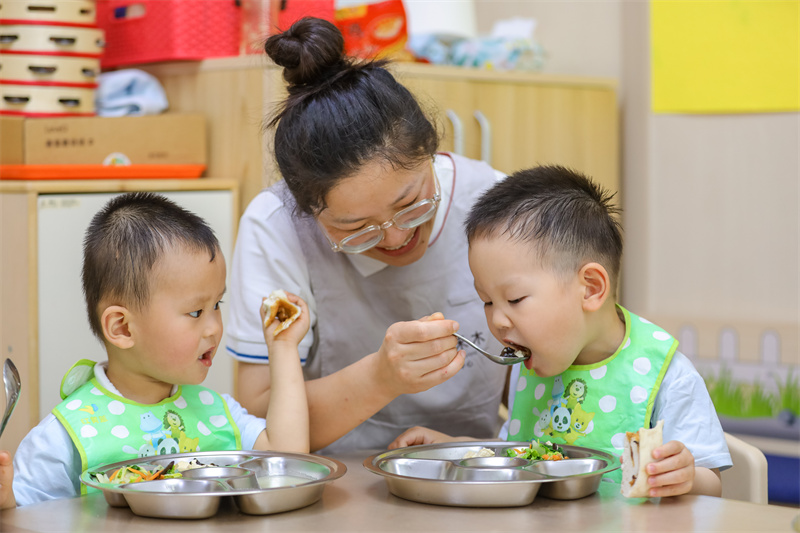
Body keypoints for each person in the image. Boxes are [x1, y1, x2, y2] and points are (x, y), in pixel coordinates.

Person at [226, 17, 508, 454]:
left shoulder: (494, 201)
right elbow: (259, 416)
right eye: (354, 229)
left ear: (433, 151)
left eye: (411, 203)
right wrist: (380, 378)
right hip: (329, 482)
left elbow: (542, 375)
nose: (395, 238)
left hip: (475, 467)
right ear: (307, 213)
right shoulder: (275, 225)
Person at [390, 165, 731, 498]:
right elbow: (520, 455)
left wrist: (686, 476)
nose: (498, 321)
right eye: (487, 302)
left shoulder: (666, 376)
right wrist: (455, 448)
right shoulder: (536, 364)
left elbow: (711, 484)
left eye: (514, 298)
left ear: (591, 288)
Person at [0, 192, 309, 508]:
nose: (215, 326)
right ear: (122, 328)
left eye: (217, 304)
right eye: (194, 312)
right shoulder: (66, 436)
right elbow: (22, 515)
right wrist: (7, 499)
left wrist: (283, 347)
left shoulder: (218, 413)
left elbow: (290, 464)